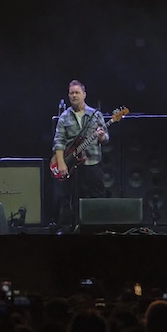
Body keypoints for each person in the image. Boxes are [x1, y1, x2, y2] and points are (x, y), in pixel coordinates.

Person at [52, 79, 109, 231]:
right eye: (71, 93)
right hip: (72, 165)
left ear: (84, 94)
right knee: (71, 199)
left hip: (92, 163)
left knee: (97, 196)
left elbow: (106, 139)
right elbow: (58, 141)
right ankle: (72, 228)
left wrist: (101, 136)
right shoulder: (64, 117)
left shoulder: (95, 115)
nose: (74, 95)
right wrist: (61, 163)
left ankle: (99, 228)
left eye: (77, 92)